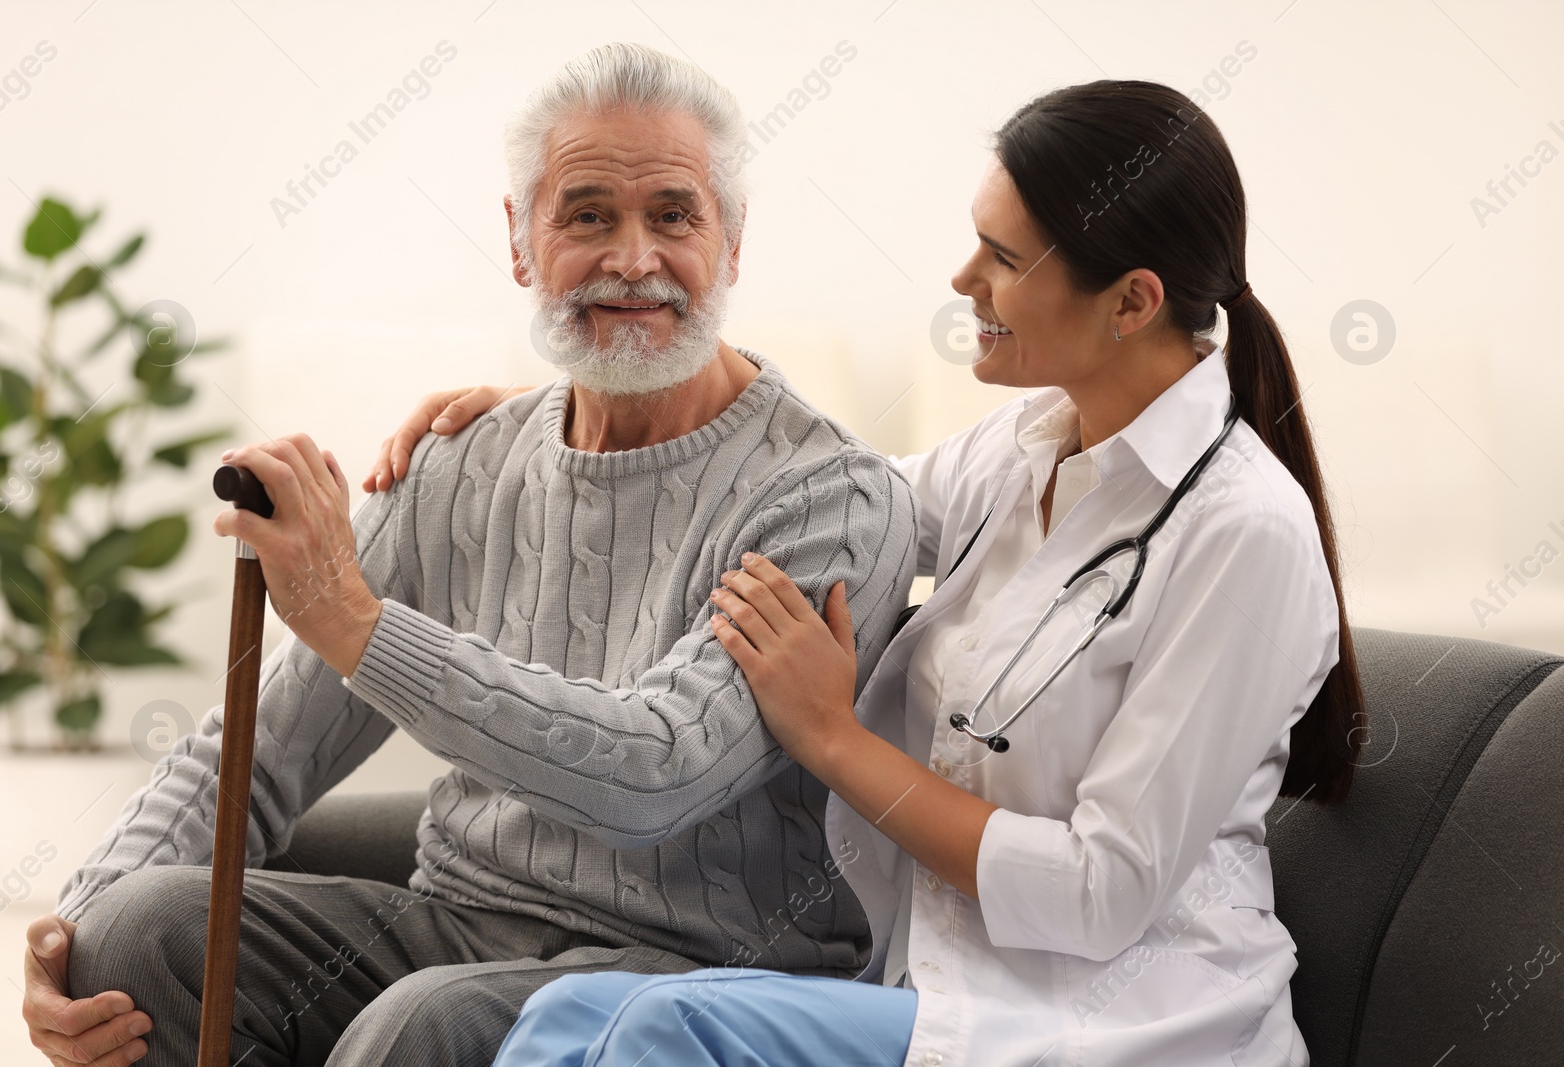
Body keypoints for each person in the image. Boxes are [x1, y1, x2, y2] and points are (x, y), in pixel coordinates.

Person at [382, 80, 1364, 1066]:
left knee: (664, 1026)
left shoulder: (1243, 534)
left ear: (1132, 301)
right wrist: (604, 391)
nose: (962, 278)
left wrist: (830, 738)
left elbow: (1098, 890)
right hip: (934, 989)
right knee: (565, 1015)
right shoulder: (1022, 449)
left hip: (1118, 1027)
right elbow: (803, 495)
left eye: (1005, 258)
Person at [21, 44, 917, 1067]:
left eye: (673, 215)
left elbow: (656, 773)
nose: (633, 257)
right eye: (586, 215)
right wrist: (67, 934)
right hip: (463, 913)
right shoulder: (461, 462)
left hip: (698, 965)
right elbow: (269, 745)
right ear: (520, 241)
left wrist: (357, 620)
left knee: (423, 1021)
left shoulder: (823, 493)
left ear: (734, 240)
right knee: (138, 934)